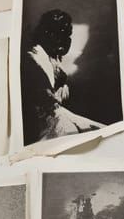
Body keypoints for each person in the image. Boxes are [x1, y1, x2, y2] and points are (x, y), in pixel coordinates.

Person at [20, 8, 103, 144]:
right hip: (42, 123)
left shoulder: (51, 56)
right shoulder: (36, 58)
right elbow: (48, 106)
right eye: (61, 33)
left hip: (56, 115)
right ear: (48, 33)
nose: (66, 40)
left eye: (68, 35)